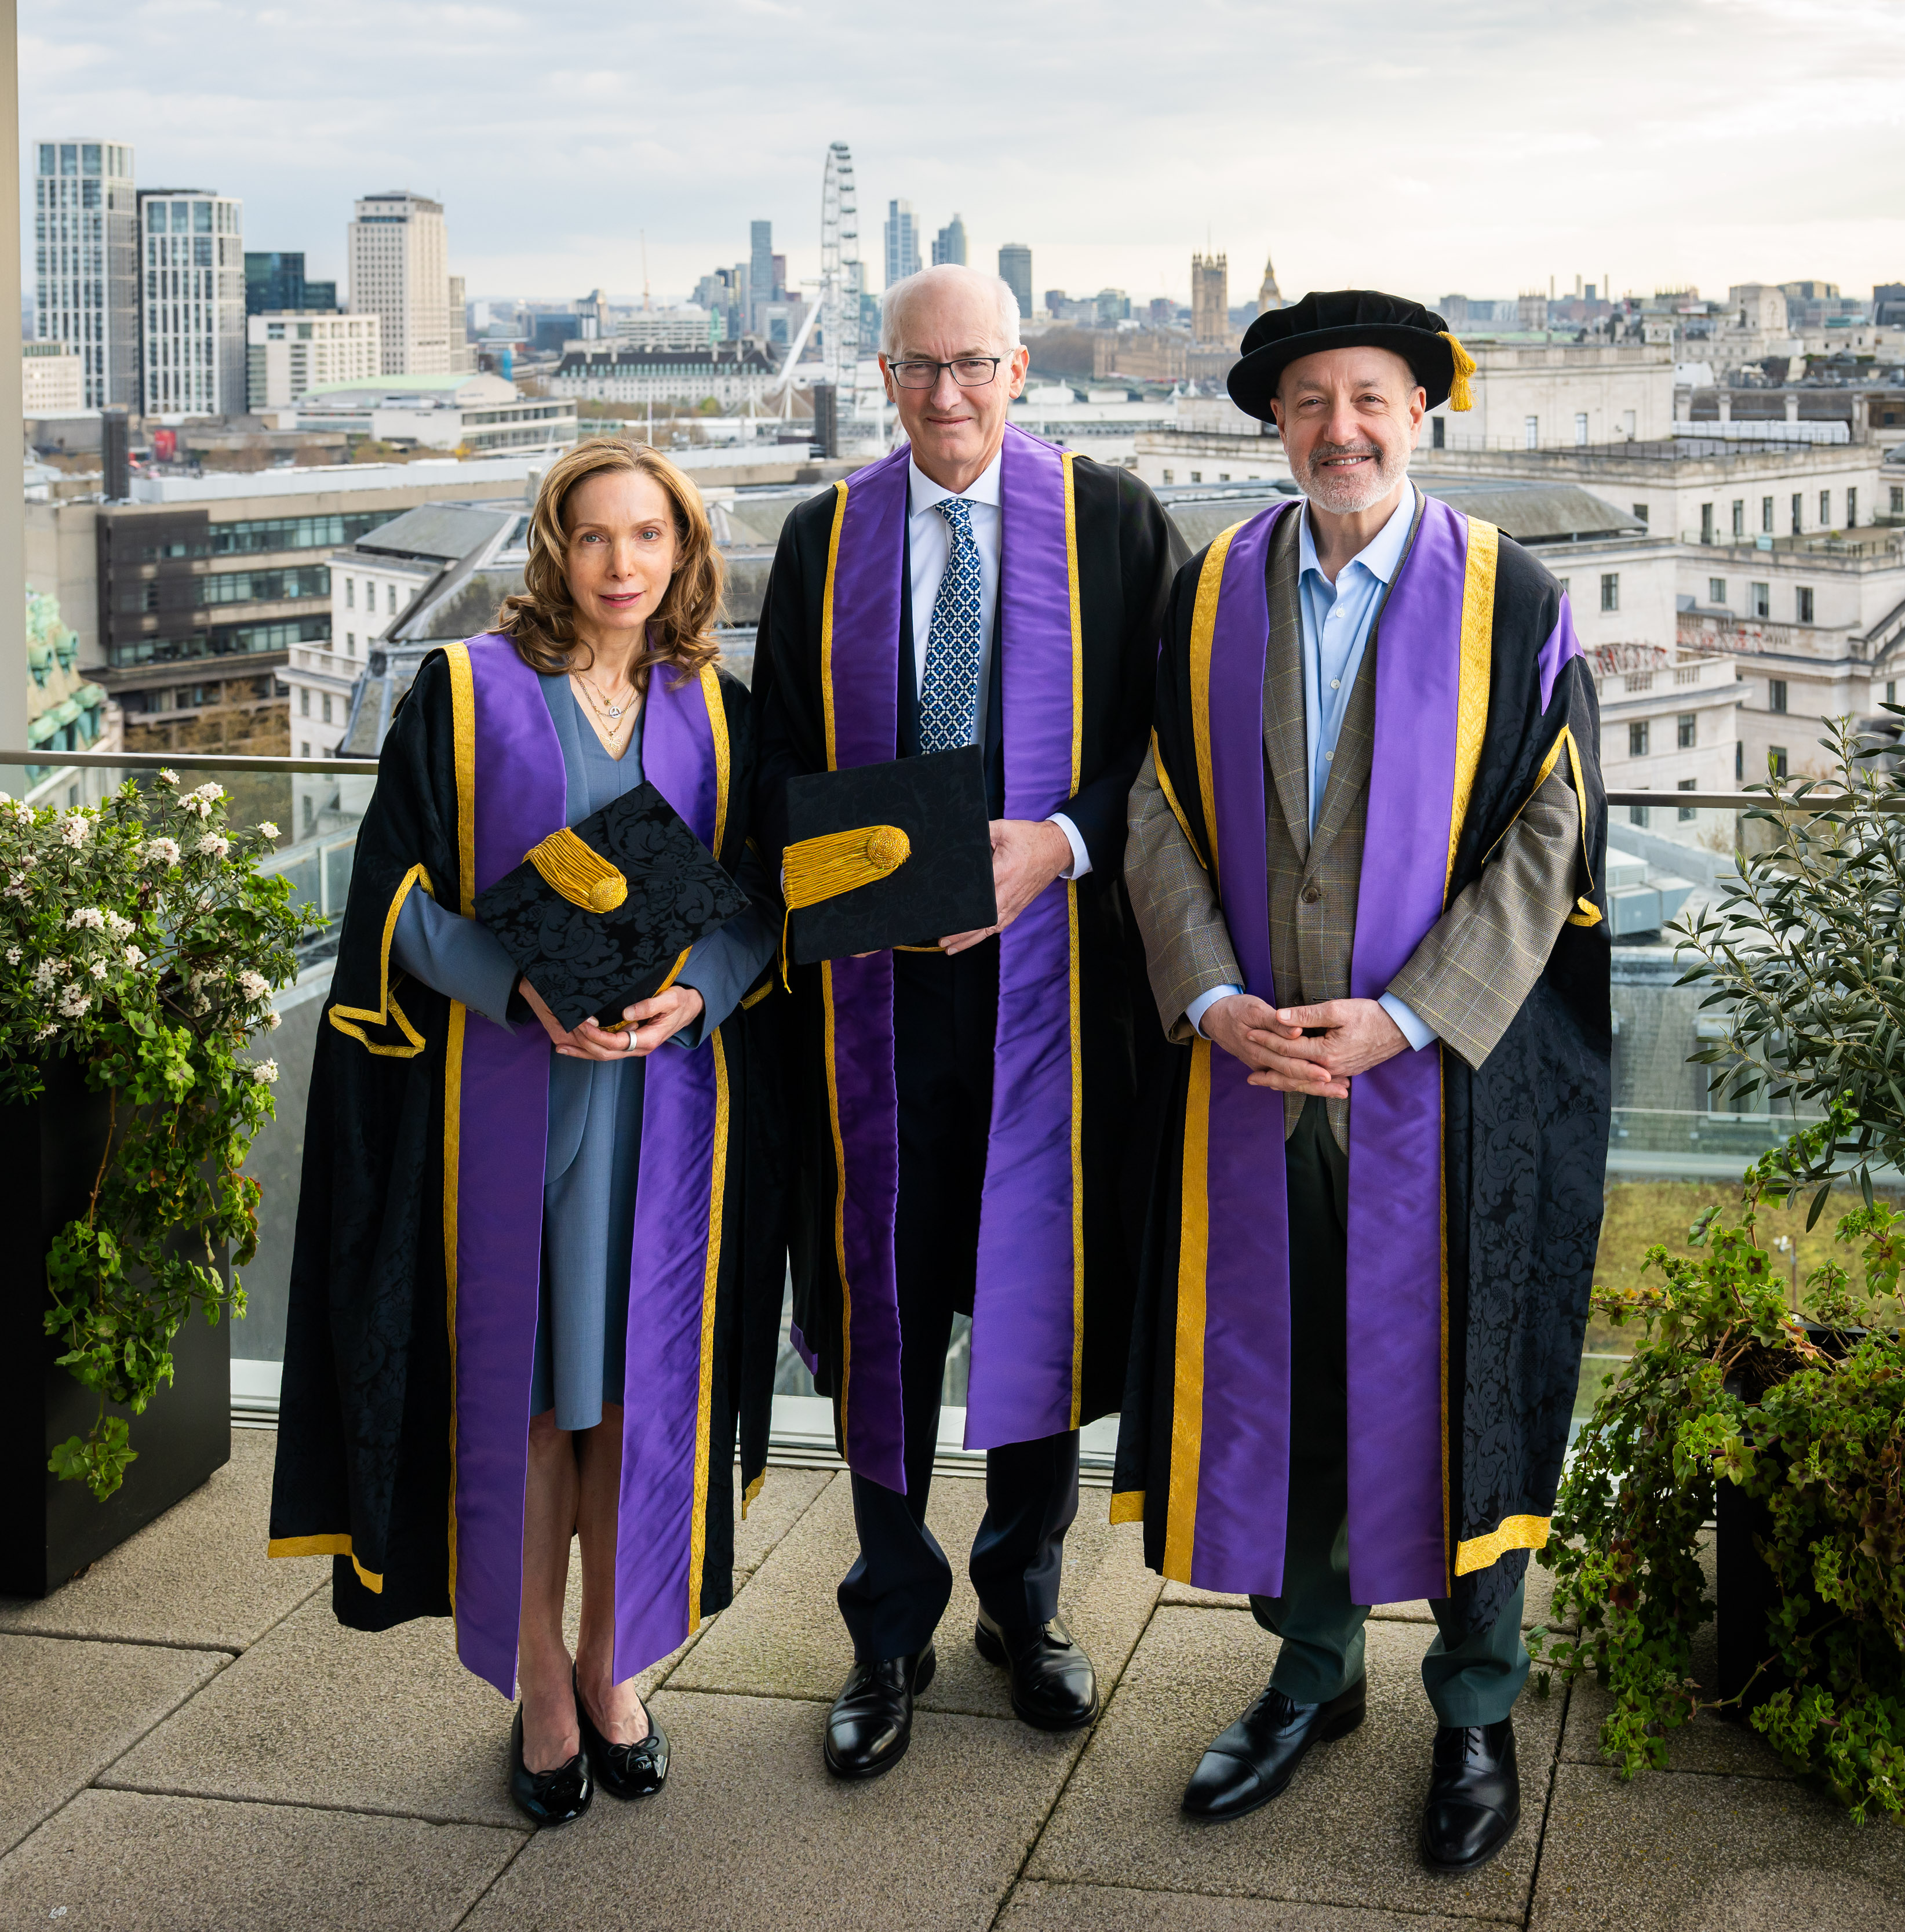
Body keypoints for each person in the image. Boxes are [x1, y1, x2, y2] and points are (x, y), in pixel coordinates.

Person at [1115, 291, 1610, 1875]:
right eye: (1313, 399)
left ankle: (1475, 1700)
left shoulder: (1511, 599)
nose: (1343, 426)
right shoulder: (1211, 594)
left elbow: (1556, 833)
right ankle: (1310, 1669)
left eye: (1373, 396)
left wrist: (1410, 1013)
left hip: (1448, 1089)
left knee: (1461, 1378)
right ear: (1277, 422)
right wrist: (1203, 992)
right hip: (1259, 1080)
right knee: (1297, 1365)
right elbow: (1154, 810)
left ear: (1423, 411)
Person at [268, 438, 782, 1828]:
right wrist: (521, 986)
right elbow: (395, 897)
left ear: (685, 555)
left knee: (635, 1392)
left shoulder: (717, 712)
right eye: (595, 537)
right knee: (540, 1397)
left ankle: (619, 1661)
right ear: (553, 550)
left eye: (649, 538)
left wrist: (698, 991)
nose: (623, 564)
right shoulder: (462, 692)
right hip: (512, 1104)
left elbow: (753, 908)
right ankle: (540, 1677)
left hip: (667, 1108)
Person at [751, 263, 1189, 1779]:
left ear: (1020, 371)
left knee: (1034, 1293)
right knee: (883, 1298)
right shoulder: (825, 538)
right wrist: (858, 878)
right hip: (873, 1001)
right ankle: (886, 1624)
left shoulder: (1117, 525)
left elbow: (1169, 753)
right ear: (882, 373)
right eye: (920, 368)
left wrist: (1053, 842)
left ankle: (1026, 1597)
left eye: (976, 366)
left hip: (1055, 988)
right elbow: (780, 777)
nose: (948, 396)